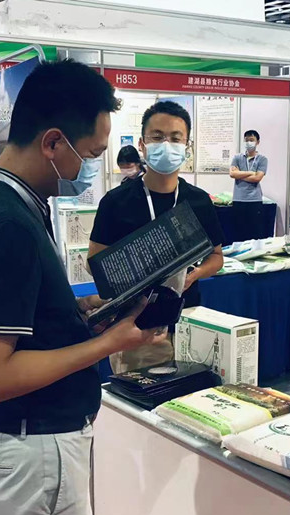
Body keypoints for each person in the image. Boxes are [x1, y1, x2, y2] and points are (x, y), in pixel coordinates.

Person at [0, 60, 165, 515]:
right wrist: (107, 345)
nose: (91, 168)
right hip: (34, 452)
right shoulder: (4, 225)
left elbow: (19, 316)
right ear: (52, 143)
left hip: (37, 446)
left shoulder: (14, 201)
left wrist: (70, 312)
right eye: (91, 153)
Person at [89, 101, 225, 372]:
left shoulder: (198, 201)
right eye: (157, 137)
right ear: (142, 144)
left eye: (175, 138)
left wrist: (195, 274)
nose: (166, 144)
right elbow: (94, 262)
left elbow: (216, 257)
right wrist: (134, 276)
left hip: (189, 321)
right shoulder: (116, 202)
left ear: (187, 146)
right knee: (141, 396)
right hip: (138, 327)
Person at [229, 129, 269, 243]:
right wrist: (251, 173)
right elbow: (232, 174)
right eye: (246, 140)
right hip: (238, 199)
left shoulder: (262, 159)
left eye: (251, 140)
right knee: (238, 234)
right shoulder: (237, 158)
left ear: (257, 142)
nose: (248, 143)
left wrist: (239, 174)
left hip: (254, 200)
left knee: (255, 235)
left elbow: (257, 178)